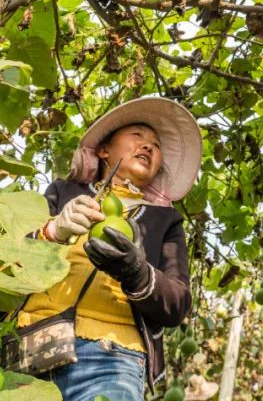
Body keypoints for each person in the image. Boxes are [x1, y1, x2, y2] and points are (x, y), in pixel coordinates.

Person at [18, 96, 201, 401]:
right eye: (137, 136)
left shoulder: (164, 219)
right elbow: (9, 261)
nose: (148, 146)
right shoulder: (63, 192)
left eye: (155, 146)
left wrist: (138, 273)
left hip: (112, 358)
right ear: (103, 150)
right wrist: (51, 231)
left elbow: (178, 302)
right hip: (32, 346)